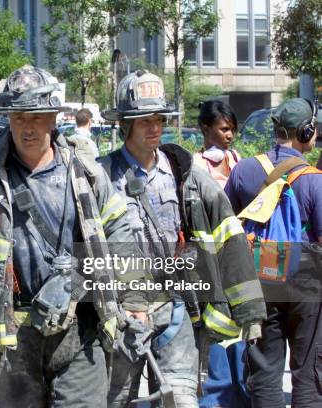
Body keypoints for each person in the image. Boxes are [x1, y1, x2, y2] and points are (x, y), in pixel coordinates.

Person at [0, 65, 148, 407]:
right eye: (18, 118)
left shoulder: (86, 175)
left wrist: (134, 299)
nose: (27, 127)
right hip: (10, 336)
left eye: (36, 117)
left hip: (81, 329)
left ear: (54, 117)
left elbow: (121, 233)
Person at [98, 70, 266, 407]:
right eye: (145, 119)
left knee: (182, 401)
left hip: (177, 307)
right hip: (121, 314)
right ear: (124, 124)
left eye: (159, 118)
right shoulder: (101, 177)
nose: (155, 126)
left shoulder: (185, 174)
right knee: (116, 400)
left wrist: (249, 310)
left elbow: (227, 235)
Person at [225, 97, 322, 407]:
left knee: (265, 372)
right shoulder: (315, 182)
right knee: (308, 374)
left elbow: (227, 225)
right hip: (307, 285)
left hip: (260, 278)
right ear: (307, 132)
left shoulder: (245, 170)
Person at [193, 100, 241, 188]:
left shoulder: (234, 157)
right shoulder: (196, 164)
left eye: (232, 130)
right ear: (205, 129)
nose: (230, 135)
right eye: (224, 129)